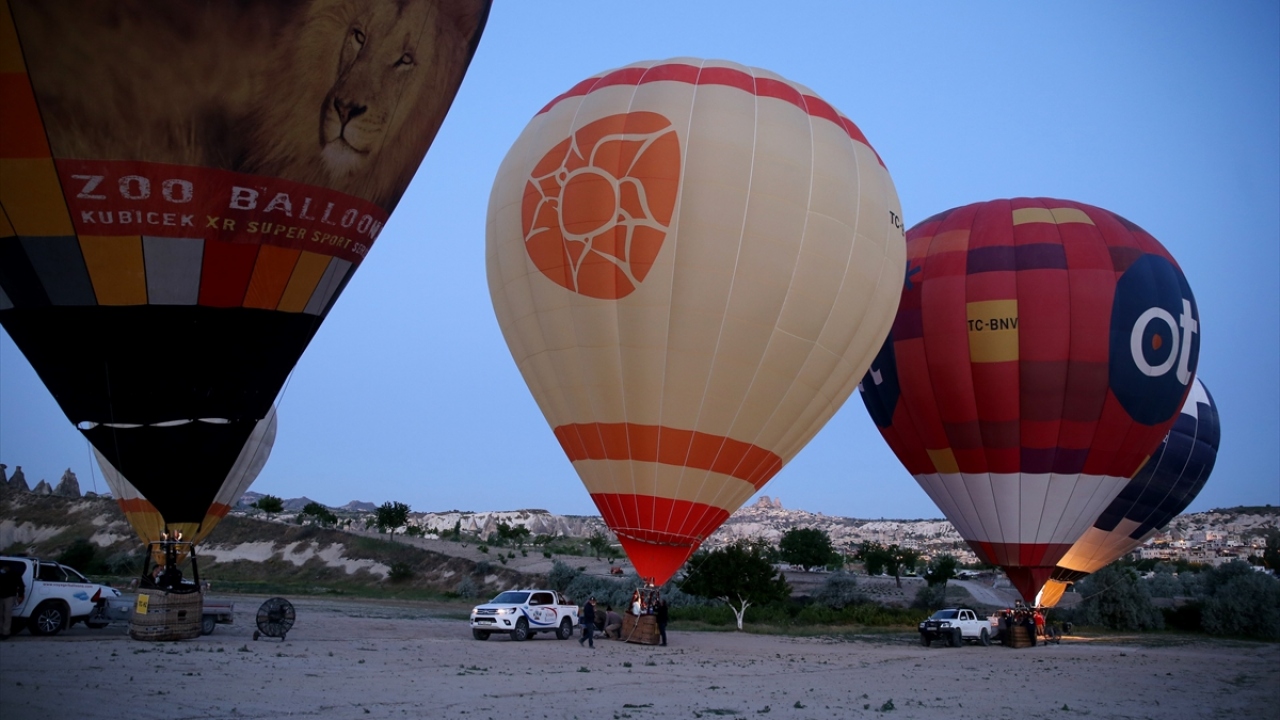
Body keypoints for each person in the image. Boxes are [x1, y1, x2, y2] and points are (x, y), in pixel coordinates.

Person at [0, 562, 26, 639]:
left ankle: (6, 632)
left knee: (7, 614)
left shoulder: (14, 574)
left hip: (10, 595)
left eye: (5, 567)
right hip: (1, 595)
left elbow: (21, 585)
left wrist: (20, 595)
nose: (4, 568)